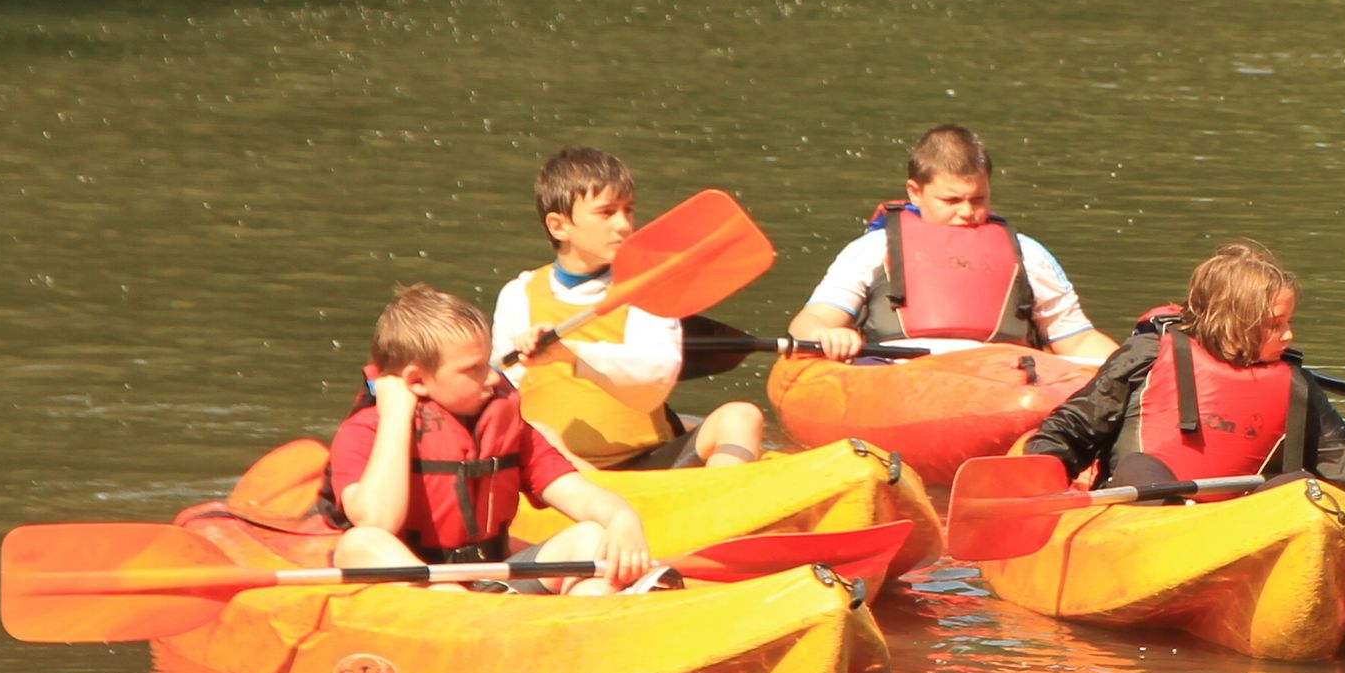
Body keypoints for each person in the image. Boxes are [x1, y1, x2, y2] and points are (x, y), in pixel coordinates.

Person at [1013, 240, 1345, 533]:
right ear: (1236, 322)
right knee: (1143, 469)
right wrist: (1033, 481)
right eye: (1275, 325)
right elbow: (1073, 428)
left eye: (1288, 322)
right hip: (1145, 520)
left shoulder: (1296, 385)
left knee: (1300, 487)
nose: (1288, 336)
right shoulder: (1146, 356)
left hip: (1240, 531)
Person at [328, 285, 656, 591]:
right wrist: (397, 414)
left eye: (488, 362)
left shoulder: (505, 426)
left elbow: (579, 494)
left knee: (593, 534)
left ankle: (595, 620)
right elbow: (377, 521)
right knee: (359, 544)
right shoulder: (365, 431)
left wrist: (622, 518)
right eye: (473, 369)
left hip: (494, 579)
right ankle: (456, 606)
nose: (491, 377)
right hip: (423, 593)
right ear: (416, 381)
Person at [491, 146, 770, 471]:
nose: (624, 225)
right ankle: (594, 498)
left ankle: (719, 507)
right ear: (559, 226)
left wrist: (573, 355)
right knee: (541, 432)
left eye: (628, 210)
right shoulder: (519, 295)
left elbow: (654, 381)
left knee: (742, 416)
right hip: (563, 471)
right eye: (607, 213)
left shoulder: (647, 287)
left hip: (648, 461)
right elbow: (498, 395)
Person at [785, 126, 1116, 365]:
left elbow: (1078, 340)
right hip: (895, 374)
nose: (967, 212)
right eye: (951, 200)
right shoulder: (872, 249)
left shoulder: (1028, 254)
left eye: (978, 199)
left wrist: (1128, 366)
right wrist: (829, 334)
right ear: (916, 192)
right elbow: (809, 321)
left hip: (1003, 381)